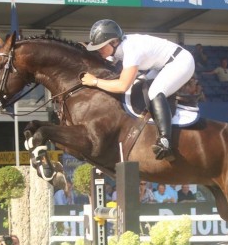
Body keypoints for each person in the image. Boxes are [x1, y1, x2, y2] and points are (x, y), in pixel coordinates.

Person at [81, 19, 194, 162]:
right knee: (140, 85)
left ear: (114, 42)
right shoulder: (117, 48)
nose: (99, 50)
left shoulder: (131, 50)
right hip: (160, 65)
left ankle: (166, 140)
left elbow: (122, 86)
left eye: (101, 47)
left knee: (155, 92)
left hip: (181, 62)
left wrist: (95, 82)